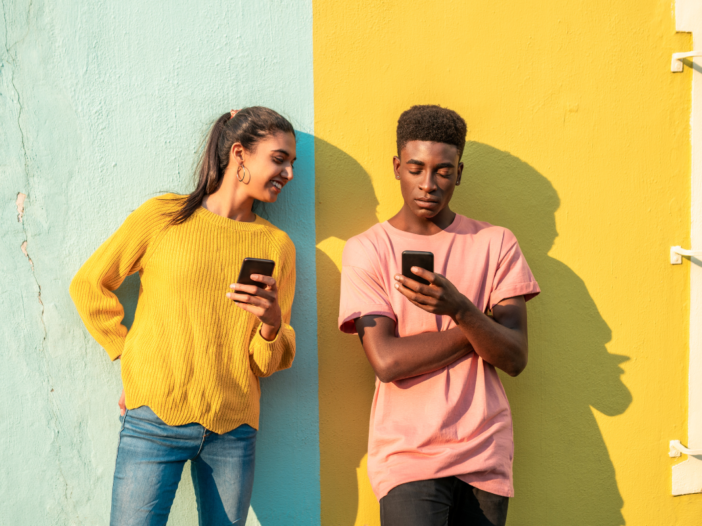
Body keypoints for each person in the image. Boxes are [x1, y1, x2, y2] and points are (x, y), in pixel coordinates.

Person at [70, 106, 298, 525]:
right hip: (153, 420)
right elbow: (88, 284)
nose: (288, 173)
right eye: (279, 159)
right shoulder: (164, 217)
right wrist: (127, 355)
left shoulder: (277, 246)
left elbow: (266, 363)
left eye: (291, 163)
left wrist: (270, 323)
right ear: (239, 154)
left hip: (233, 430)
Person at [338, 105, 540, 526]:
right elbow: (388, 361)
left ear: (460, 173)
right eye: (416, 168)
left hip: (485, 454)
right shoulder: (367, 250)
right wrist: (477, 322)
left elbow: (515, 357)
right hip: (407, 457)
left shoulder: (496, 243)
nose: (428, 184)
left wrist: (461, 309)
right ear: (397, 167)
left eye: (443, 172)